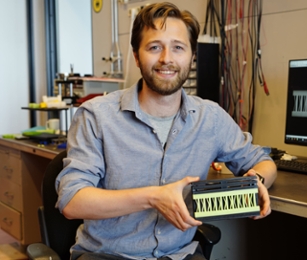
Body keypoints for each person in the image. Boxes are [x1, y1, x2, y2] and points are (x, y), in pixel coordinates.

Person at [55, 2, 277, 260]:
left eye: (178, 48)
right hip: (108, 255)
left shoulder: (211, 118)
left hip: (179, 254)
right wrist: (153, 197)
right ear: (137, 56)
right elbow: (72, 202)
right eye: (154, 47)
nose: (167, 59)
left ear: (192, 56)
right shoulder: (96, 116)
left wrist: (257, 182)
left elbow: (262, 161)